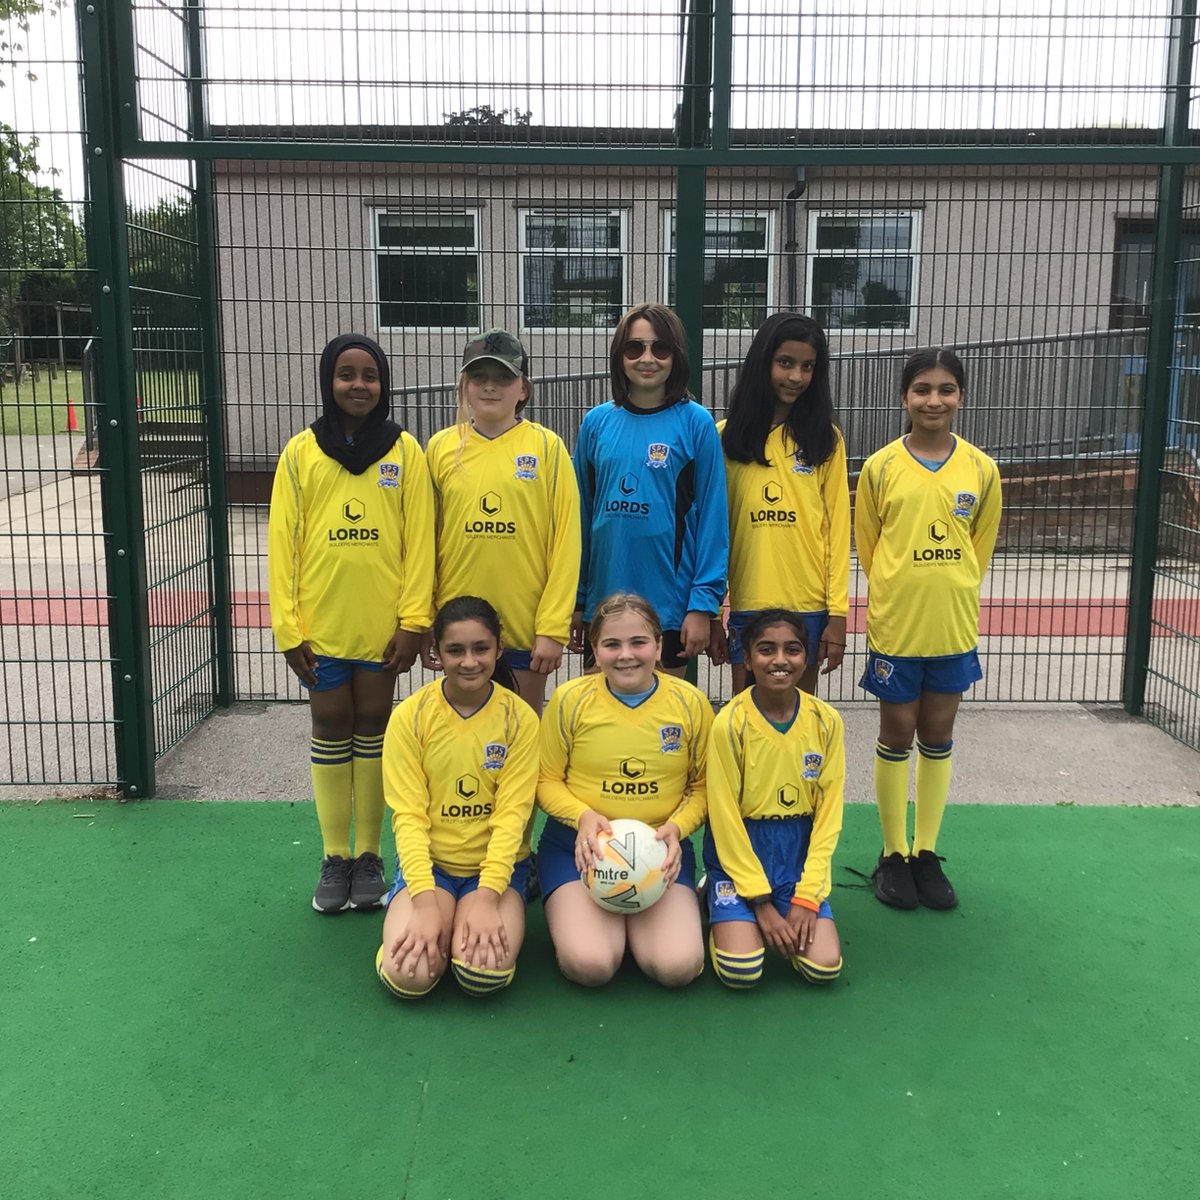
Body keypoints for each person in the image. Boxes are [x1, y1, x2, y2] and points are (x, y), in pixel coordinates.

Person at [268, 333, 434, 915]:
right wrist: (288, 631)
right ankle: (333, 854)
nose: (358, 385)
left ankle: (369, 855)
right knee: (330, 723)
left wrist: (415, 621)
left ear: (384, 384)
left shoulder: (405, 452)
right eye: (346, 374)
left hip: (383, 630)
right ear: (327, 381)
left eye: (370, 375)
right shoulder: (301, 453)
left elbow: (420, 542)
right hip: (321, 629)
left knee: (373, 724)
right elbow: (283, 543)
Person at [855, 347, 1002, 911]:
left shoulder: (982, 469)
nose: (933, 400)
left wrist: (952, 584)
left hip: (953, 625)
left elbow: (979, 547)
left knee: (937, 733)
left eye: (945, 389)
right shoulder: (881, 467)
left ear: (961, 396)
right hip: (897, 626)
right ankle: (892, 853)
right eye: (922, 389)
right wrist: (896, 587)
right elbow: (869, 543)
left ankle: (926, 852)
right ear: (904, 397)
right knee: (897, 730)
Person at [538, 593, 711, 987]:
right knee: (592, 966)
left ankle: (664, 918)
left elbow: (702, 787)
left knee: (677, 968)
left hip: (661, 854)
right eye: (611, 644)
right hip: (580, 852)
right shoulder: (570, 701)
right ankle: (598, 928)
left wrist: (679, 827)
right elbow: (545, 780)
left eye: (638, 642)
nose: (626, 655)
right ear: (595, 652)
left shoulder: (689, 704)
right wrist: (582, 817)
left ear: (659, 646)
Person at [376, 596, 538, 1000]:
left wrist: (486, 900)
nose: (469, 661)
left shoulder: (520, 719)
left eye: (481, 648)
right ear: (435, 653)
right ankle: (428, 916)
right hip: (432, 868)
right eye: (456, 650)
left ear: (499, 649)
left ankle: (477, 914)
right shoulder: (410, 717)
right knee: (408, 975)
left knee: (483, 974)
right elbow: (408, 817)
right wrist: (427, 906)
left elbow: (512, 818)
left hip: (496, 872)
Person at [424, 330, 580, 714]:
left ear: (523, 389)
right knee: (464, 732)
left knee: (523, 731)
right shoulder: (441, 449)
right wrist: (428, 618)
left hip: (525, 628)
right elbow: (423, 542)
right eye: (479, 378)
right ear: (464, 386)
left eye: (503, 378)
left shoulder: (546, 448)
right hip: (459, 627)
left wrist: (552, 627)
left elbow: (565, 543)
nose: (491, 387)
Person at [571, 303, 727, 677]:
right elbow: (578, 518)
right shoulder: (597, 423)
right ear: (619, 356)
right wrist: (577, 600)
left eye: (660, 348)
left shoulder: (696, 423)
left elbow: (713, 522)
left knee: (659, 727)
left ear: (676, 356)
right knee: (603, 726)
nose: (647, 358)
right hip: (603, 606)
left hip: (669, 609)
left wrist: (702, 605)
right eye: (634, 348)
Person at [703, 609, 844, 989]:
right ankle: (715, 897)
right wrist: (761, 903)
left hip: (796, 858)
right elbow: (724, 816)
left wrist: (808, 896)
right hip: (740, 853)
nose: (780, 660)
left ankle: (778, 907)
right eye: (766, 650)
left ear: (806, 656)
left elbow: (829, 816)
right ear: (747, 659)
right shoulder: (730, 724)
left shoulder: (827, 721)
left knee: (824, 967)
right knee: (742, 972)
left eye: (792, 650)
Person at [711, 313, 850, 694]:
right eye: (785, 363)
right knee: (747, 721)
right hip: (749, 601)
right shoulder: (723, 439)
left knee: (798, 722)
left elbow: (837, 532)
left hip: (807, 603)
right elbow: (712, 534)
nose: (796, 377)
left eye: (808, 367)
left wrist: (837, 614)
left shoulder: (826, 440)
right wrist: (712, 610)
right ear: (762, 363)